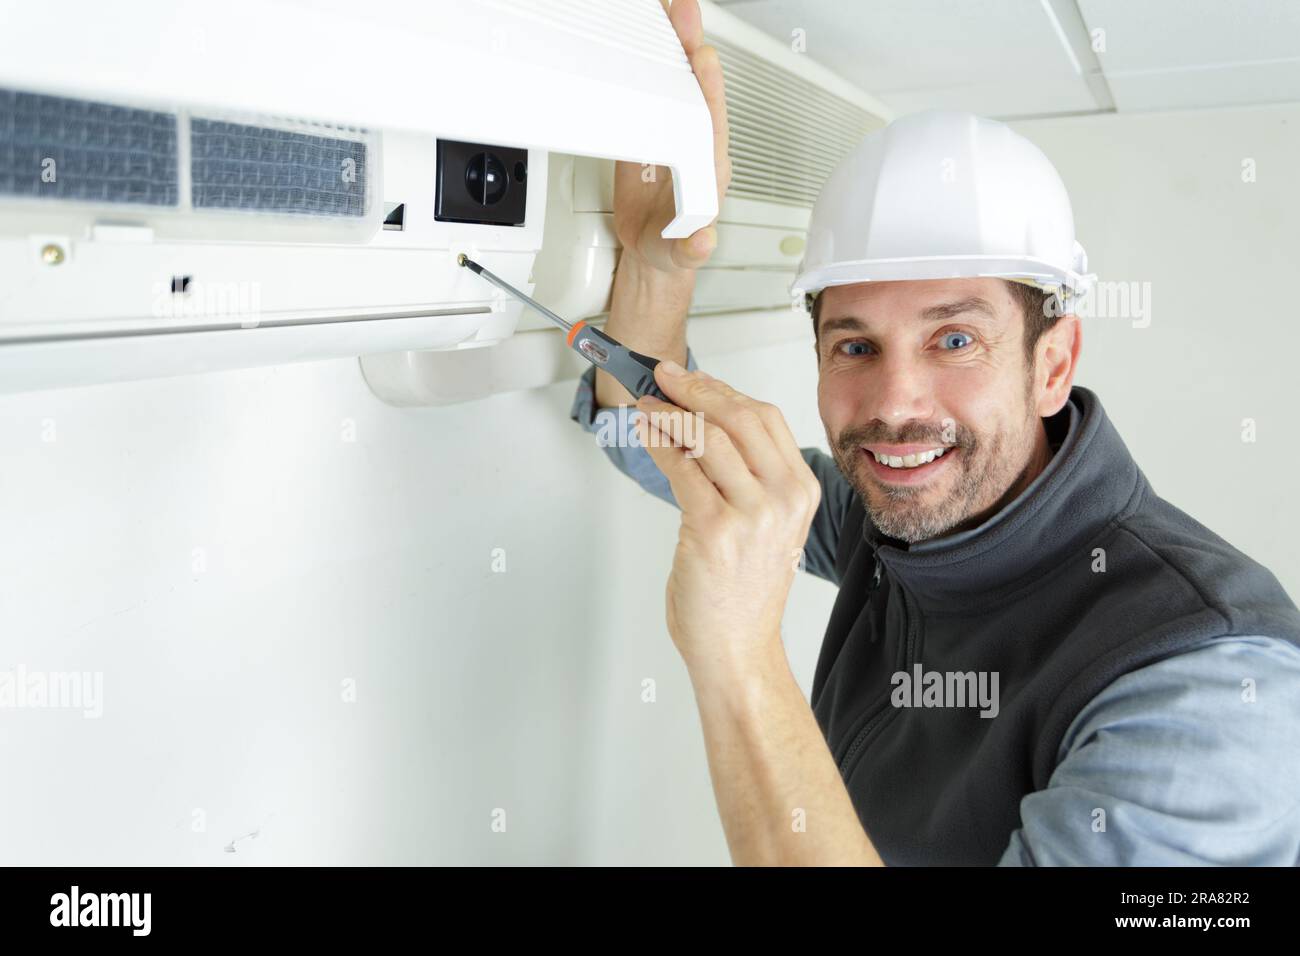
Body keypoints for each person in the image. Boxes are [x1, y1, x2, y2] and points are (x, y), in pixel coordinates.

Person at [570, 0, 1300, 866]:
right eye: (856, 345)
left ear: (1052, 364)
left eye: (955, 339)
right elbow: (654, 446)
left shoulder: (1208, 691)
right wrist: (656, 263)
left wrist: (735, 654)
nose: (895, 402)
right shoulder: (888, 517)